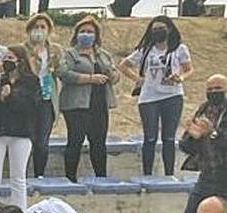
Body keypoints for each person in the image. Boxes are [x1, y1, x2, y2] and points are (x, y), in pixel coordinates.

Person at [120, 15, 193, 177]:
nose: (158, 32)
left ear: (169, 29)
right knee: (150, 137)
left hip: (173, 95)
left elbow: (188, 69)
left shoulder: (179, 48)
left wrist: (180, 77)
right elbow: (124, 65)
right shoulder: (145, 50)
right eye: (154, 29)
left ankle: (169, 175)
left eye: (161, 28)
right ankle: (147, 174)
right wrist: (138, 79)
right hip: (149, 97)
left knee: (168, 138)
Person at [58, 16, 118, 183]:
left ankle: (101, 178)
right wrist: (90, 78)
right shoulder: (69, 54)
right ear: (76, 34)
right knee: (75, 140)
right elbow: (64, 74)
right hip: (76, 104)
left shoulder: (103, 54)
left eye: (90, 32)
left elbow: (114, 73)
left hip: (99, 103)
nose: (86, 34)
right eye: (82, 31)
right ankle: (70, 178)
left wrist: (113, 75)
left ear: (96, 35)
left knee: (99, 142)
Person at [0, 45, 39, 210]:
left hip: (21, 134)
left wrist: (11, 95)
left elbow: (31, 106)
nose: (7, 62)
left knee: (18, 178)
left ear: (20, 61)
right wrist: (0, 98)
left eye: (11, 58)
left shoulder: (32, 81)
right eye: (5, 58)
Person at [178, 75, 227, 213]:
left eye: (218, 89)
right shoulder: (204, 110)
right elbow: (186, 146)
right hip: (207, 176)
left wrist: (212, 133)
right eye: (210, 89)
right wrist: (193, 137)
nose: (214, 92)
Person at [22, 13, 62, 179]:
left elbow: (61, 71)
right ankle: (23, 174)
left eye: (43, 27)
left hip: (47, 98)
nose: (39, 31)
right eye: (36, 27)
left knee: (42, 140)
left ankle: (40, 174)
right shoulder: (23, 49)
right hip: (27, 99)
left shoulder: (56, 50)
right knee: (28, 137)